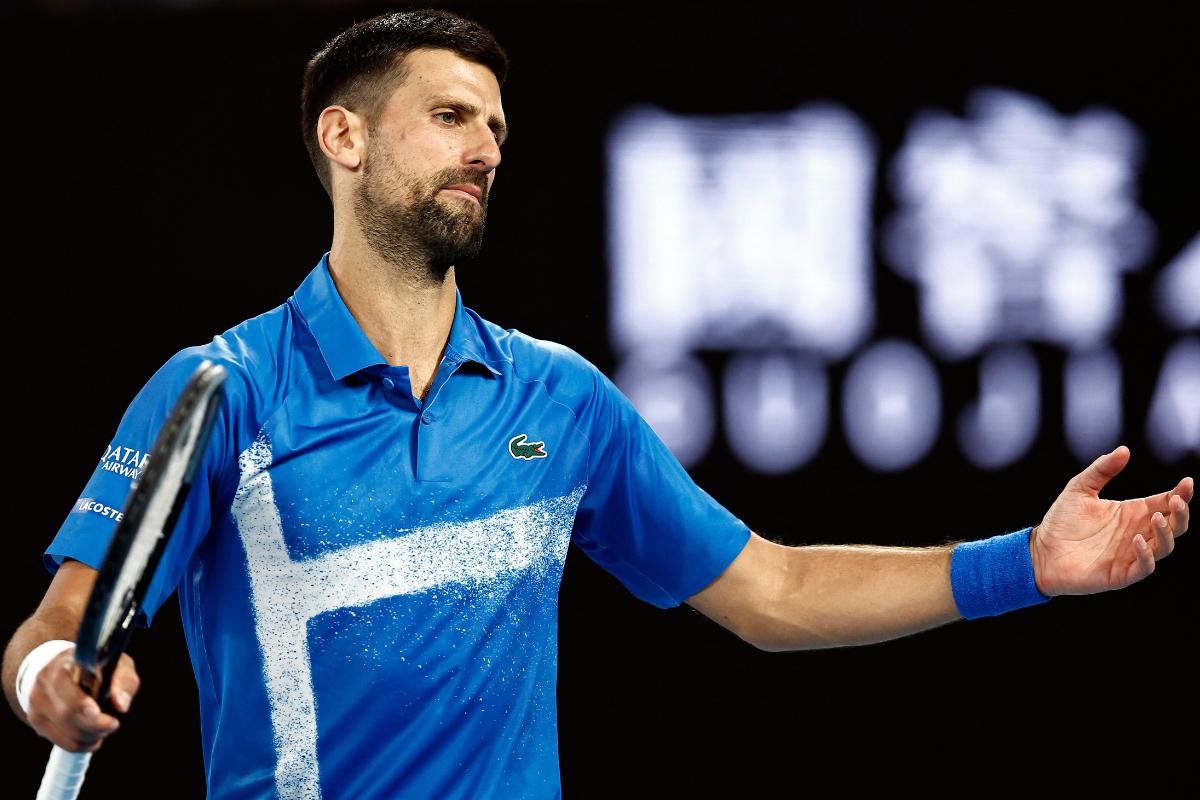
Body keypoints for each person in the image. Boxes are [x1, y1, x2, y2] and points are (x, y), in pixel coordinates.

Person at [2, 8, 1191, 799]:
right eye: (453, 116)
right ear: (344, 135)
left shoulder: (558, 398)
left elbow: (769, 589)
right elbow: (61, 617)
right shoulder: (226, 389)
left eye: (499, 127)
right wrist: (51, 679)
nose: (488, 147)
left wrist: (1022, 563)